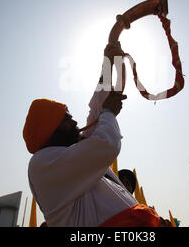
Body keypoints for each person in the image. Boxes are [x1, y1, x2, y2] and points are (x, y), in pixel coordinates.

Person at [23, 91, 164, 227]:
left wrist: (105, 79)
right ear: (50, 128)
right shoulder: (42, 162)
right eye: (67, 119)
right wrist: (109, 112)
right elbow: (106, 144)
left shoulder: (68, 158)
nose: (74, 122)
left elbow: (95, 121)